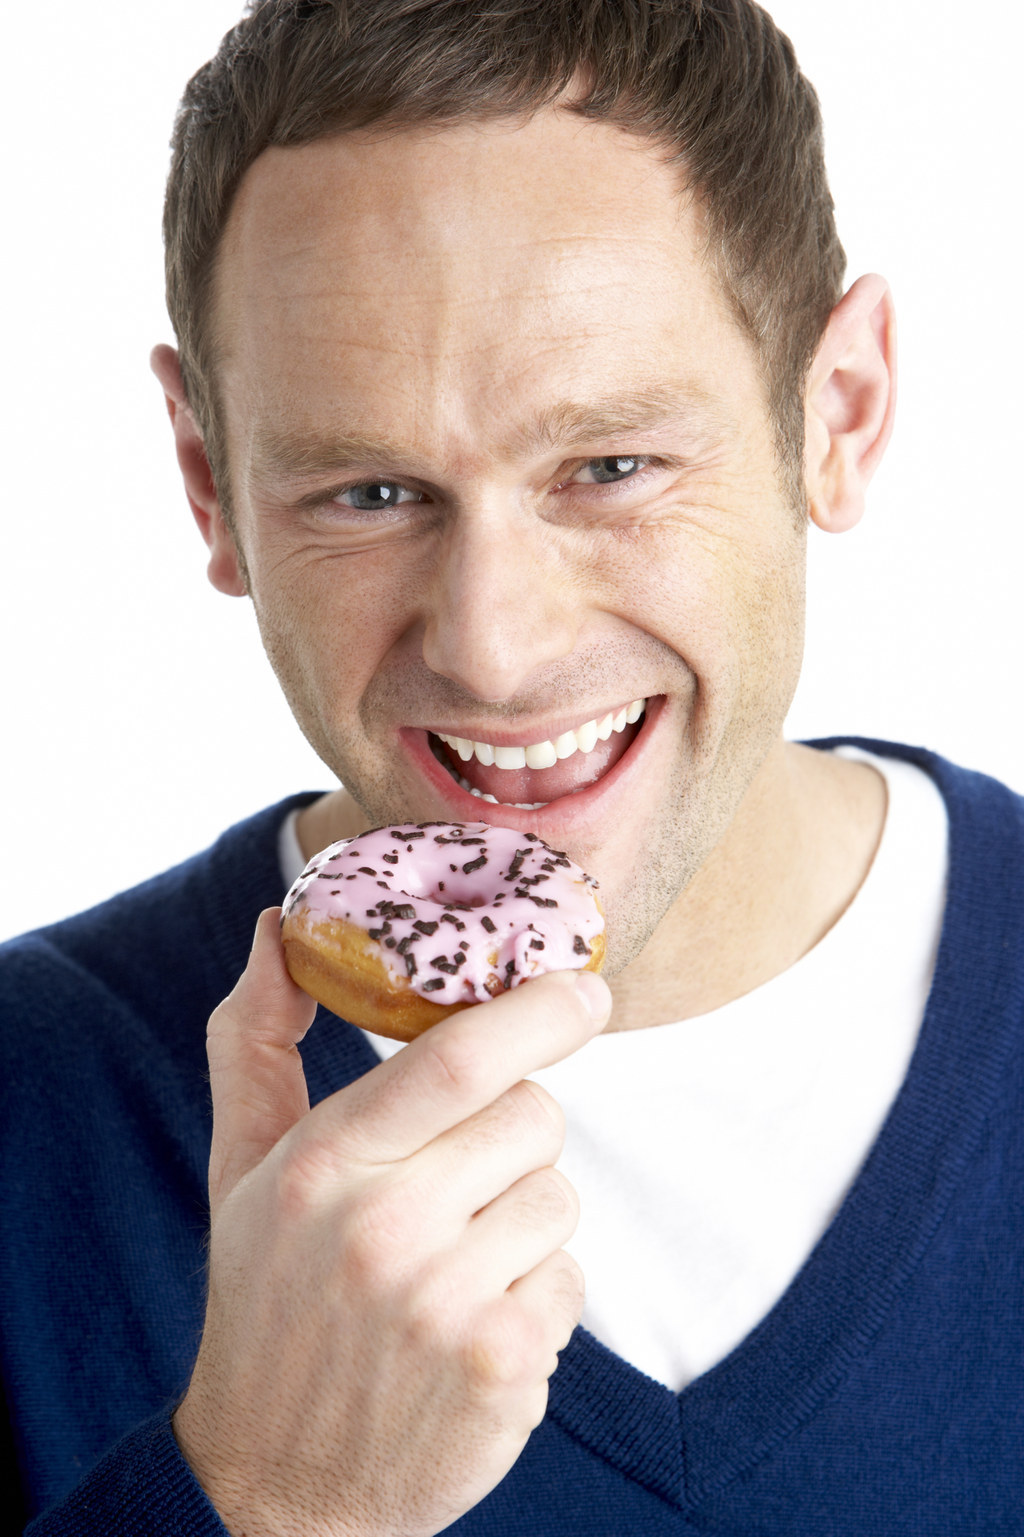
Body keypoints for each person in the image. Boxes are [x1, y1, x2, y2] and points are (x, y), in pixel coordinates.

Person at [2, 1, 1022, 1532]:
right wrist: (260, 1500)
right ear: (210, 486)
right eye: (369, 488)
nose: (490, 644)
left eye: (610, 466)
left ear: (841, 413)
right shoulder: (34, 1109)